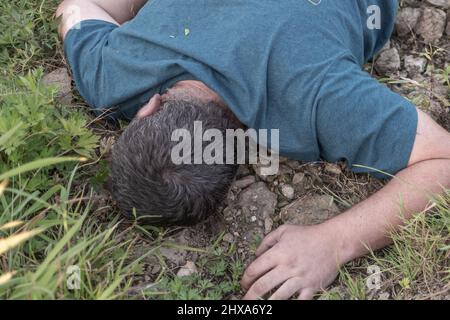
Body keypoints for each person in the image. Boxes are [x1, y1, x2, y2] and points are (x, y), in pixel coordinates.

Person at [56, 0, 450, 300]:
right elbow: (77, 8)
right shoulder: (111, 76)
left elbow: (443, 160)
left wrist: (336, 242)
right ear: (148, 111)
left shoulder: (317, 99)